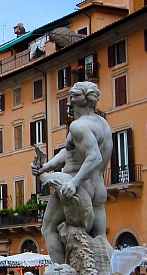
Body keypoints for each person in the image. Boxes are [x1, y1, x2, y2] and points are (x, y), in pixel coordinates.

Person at [35, 81, 113, 261]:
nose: (68, 104)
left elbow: (94, 157)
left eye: (70, 99)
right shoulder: (103, 124)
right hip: (98, 189)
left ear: (76, 102)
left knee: (49, 228)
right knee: (100, 239)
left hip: (79, 188)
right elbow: (69, 152)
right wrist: (47, 166)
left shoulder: (78, 126)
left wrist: (74, 182)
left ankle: (62, 274)